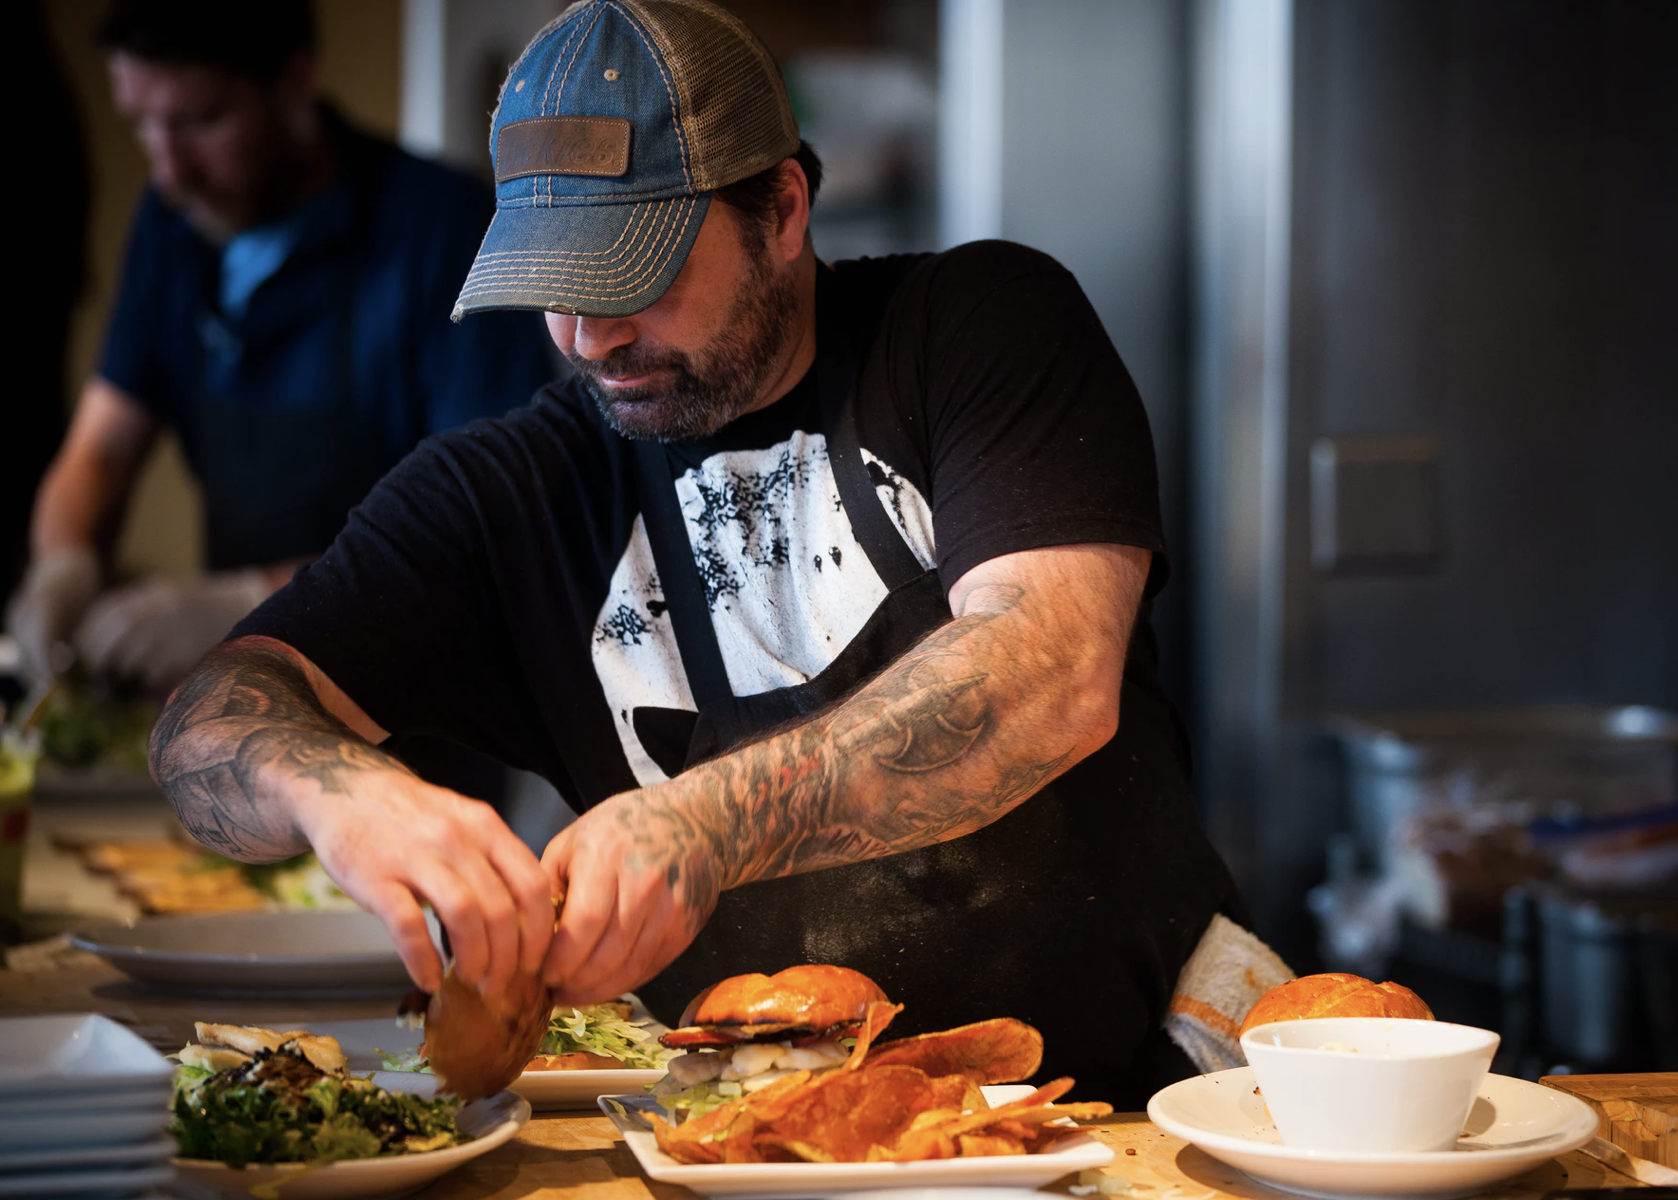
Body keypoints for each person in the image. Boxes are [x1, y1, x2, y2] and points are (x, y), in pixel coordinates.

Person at [147, 0, 1242, 1109]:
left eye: (633, 276)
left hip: (1123, 1100)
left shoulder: (971, 329)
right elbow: (208, 722)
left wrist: (706, 823)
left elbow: (1045, 672)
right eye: (553, 286)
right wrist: (337, 791)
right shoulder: (510, 496)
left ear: (782, 210)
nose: (590, 335)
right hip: (749, 1132)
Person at [5, 0, 553, 694]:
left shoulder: (442, 230)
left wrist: (246, 602)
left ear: (294, 80)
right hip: (242, 699)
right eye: (142, 124)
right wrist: (65, 557)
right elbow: (102, 448)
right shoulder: (172, 230)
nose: (170, 170)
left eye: (200, 121)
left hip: (414, 710)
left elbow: (479, 531)